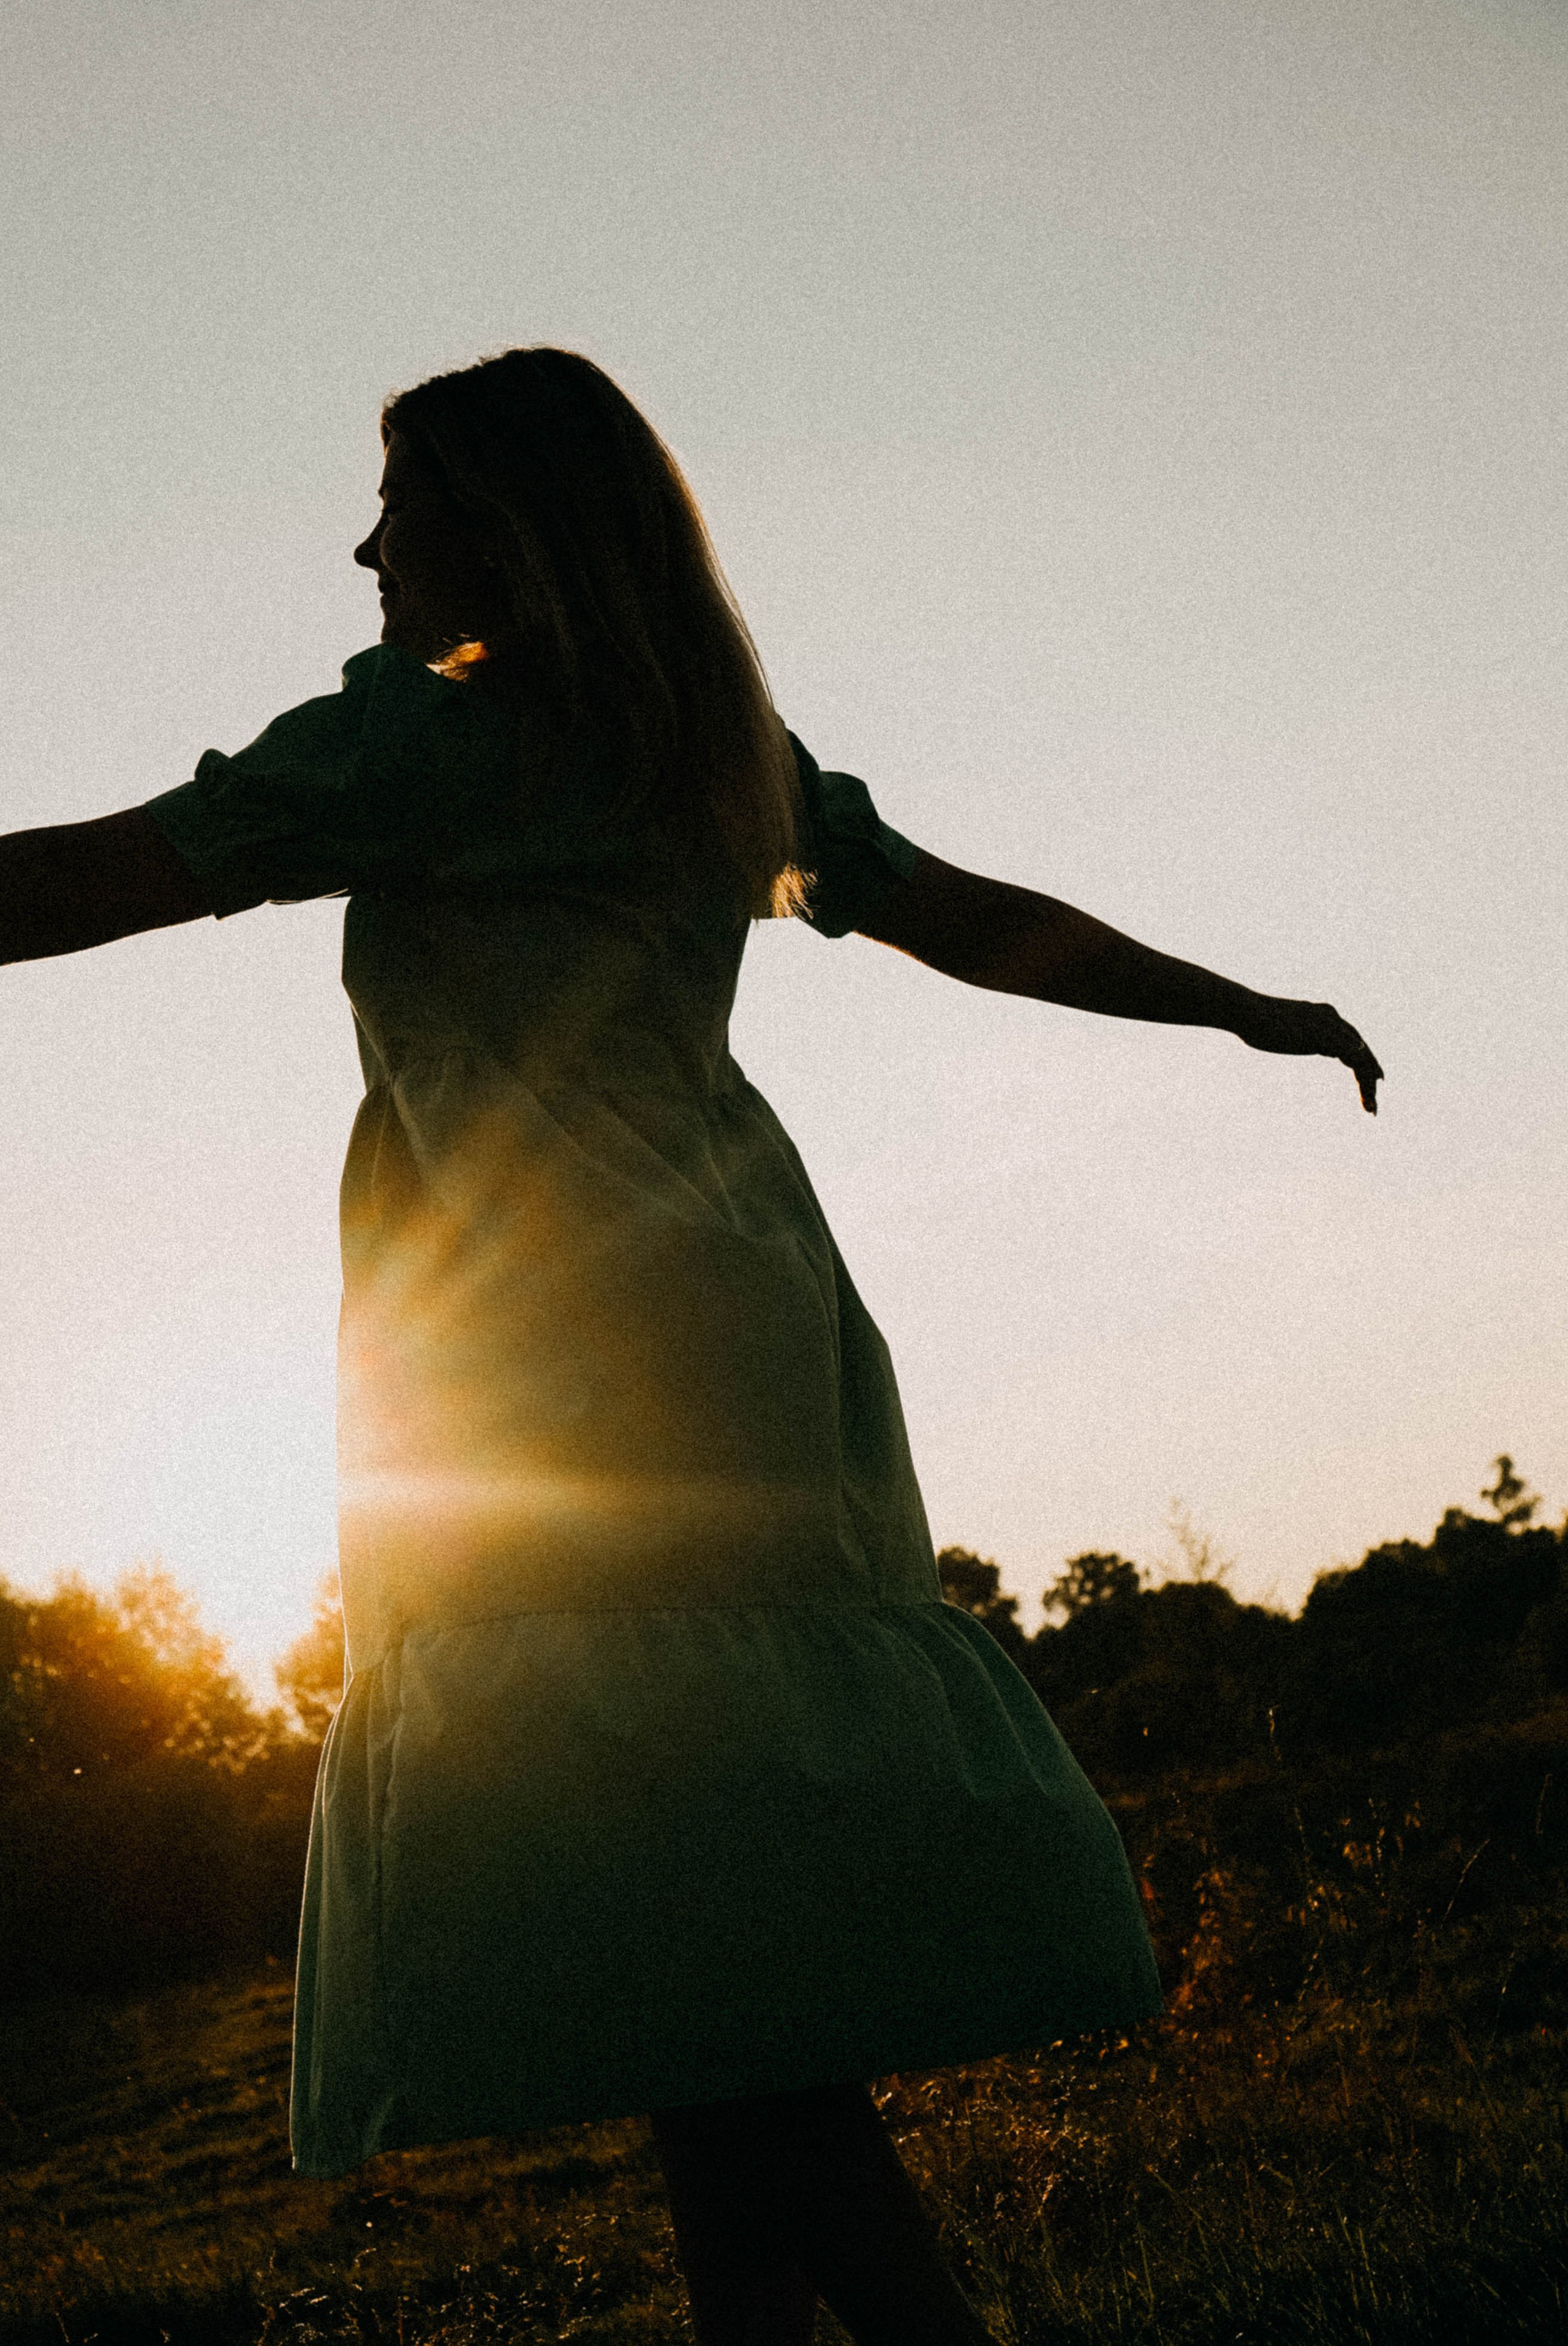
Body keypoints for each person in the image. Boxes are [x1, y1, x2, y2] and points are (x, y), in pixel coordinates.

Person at [0, 348, 1381, 2346]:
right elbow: (976, 921)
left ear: (511, 532)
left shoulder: (405, 746)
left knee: (682, 1928)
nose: (370, 543)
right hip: (743, 1323)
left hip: (535, 1349)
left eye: (409, 501)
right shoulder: (711, 751)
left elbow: (100, 876)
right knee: (701, 1938)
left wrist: (1231, 1005)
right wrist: (1232, 1003)